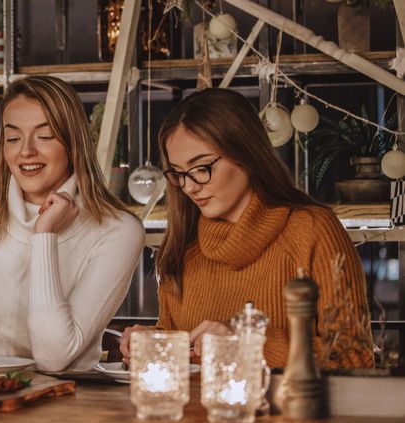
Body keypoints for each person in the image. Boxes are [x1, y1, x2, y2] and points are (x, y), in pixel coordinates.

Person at [120, 88, 374, 369]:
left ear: (246, 155)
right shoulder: (182, 244)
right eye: (178, 173)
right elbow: (187, 350)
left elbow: (355, 355)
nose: (189, 186)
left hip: (284, 411)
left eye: (201, 167)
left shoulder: (311, 230)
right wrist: (155, 341)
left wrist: (248, 342)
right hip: (192, 411)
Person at [0, 76, 145, 371]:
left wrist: (44, 235)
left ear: (73, 143)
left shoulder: (118, 230)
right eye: (13, 137)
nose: (26, 151)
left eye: (44, 136)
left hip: (75, 403)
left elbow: (54, 356)